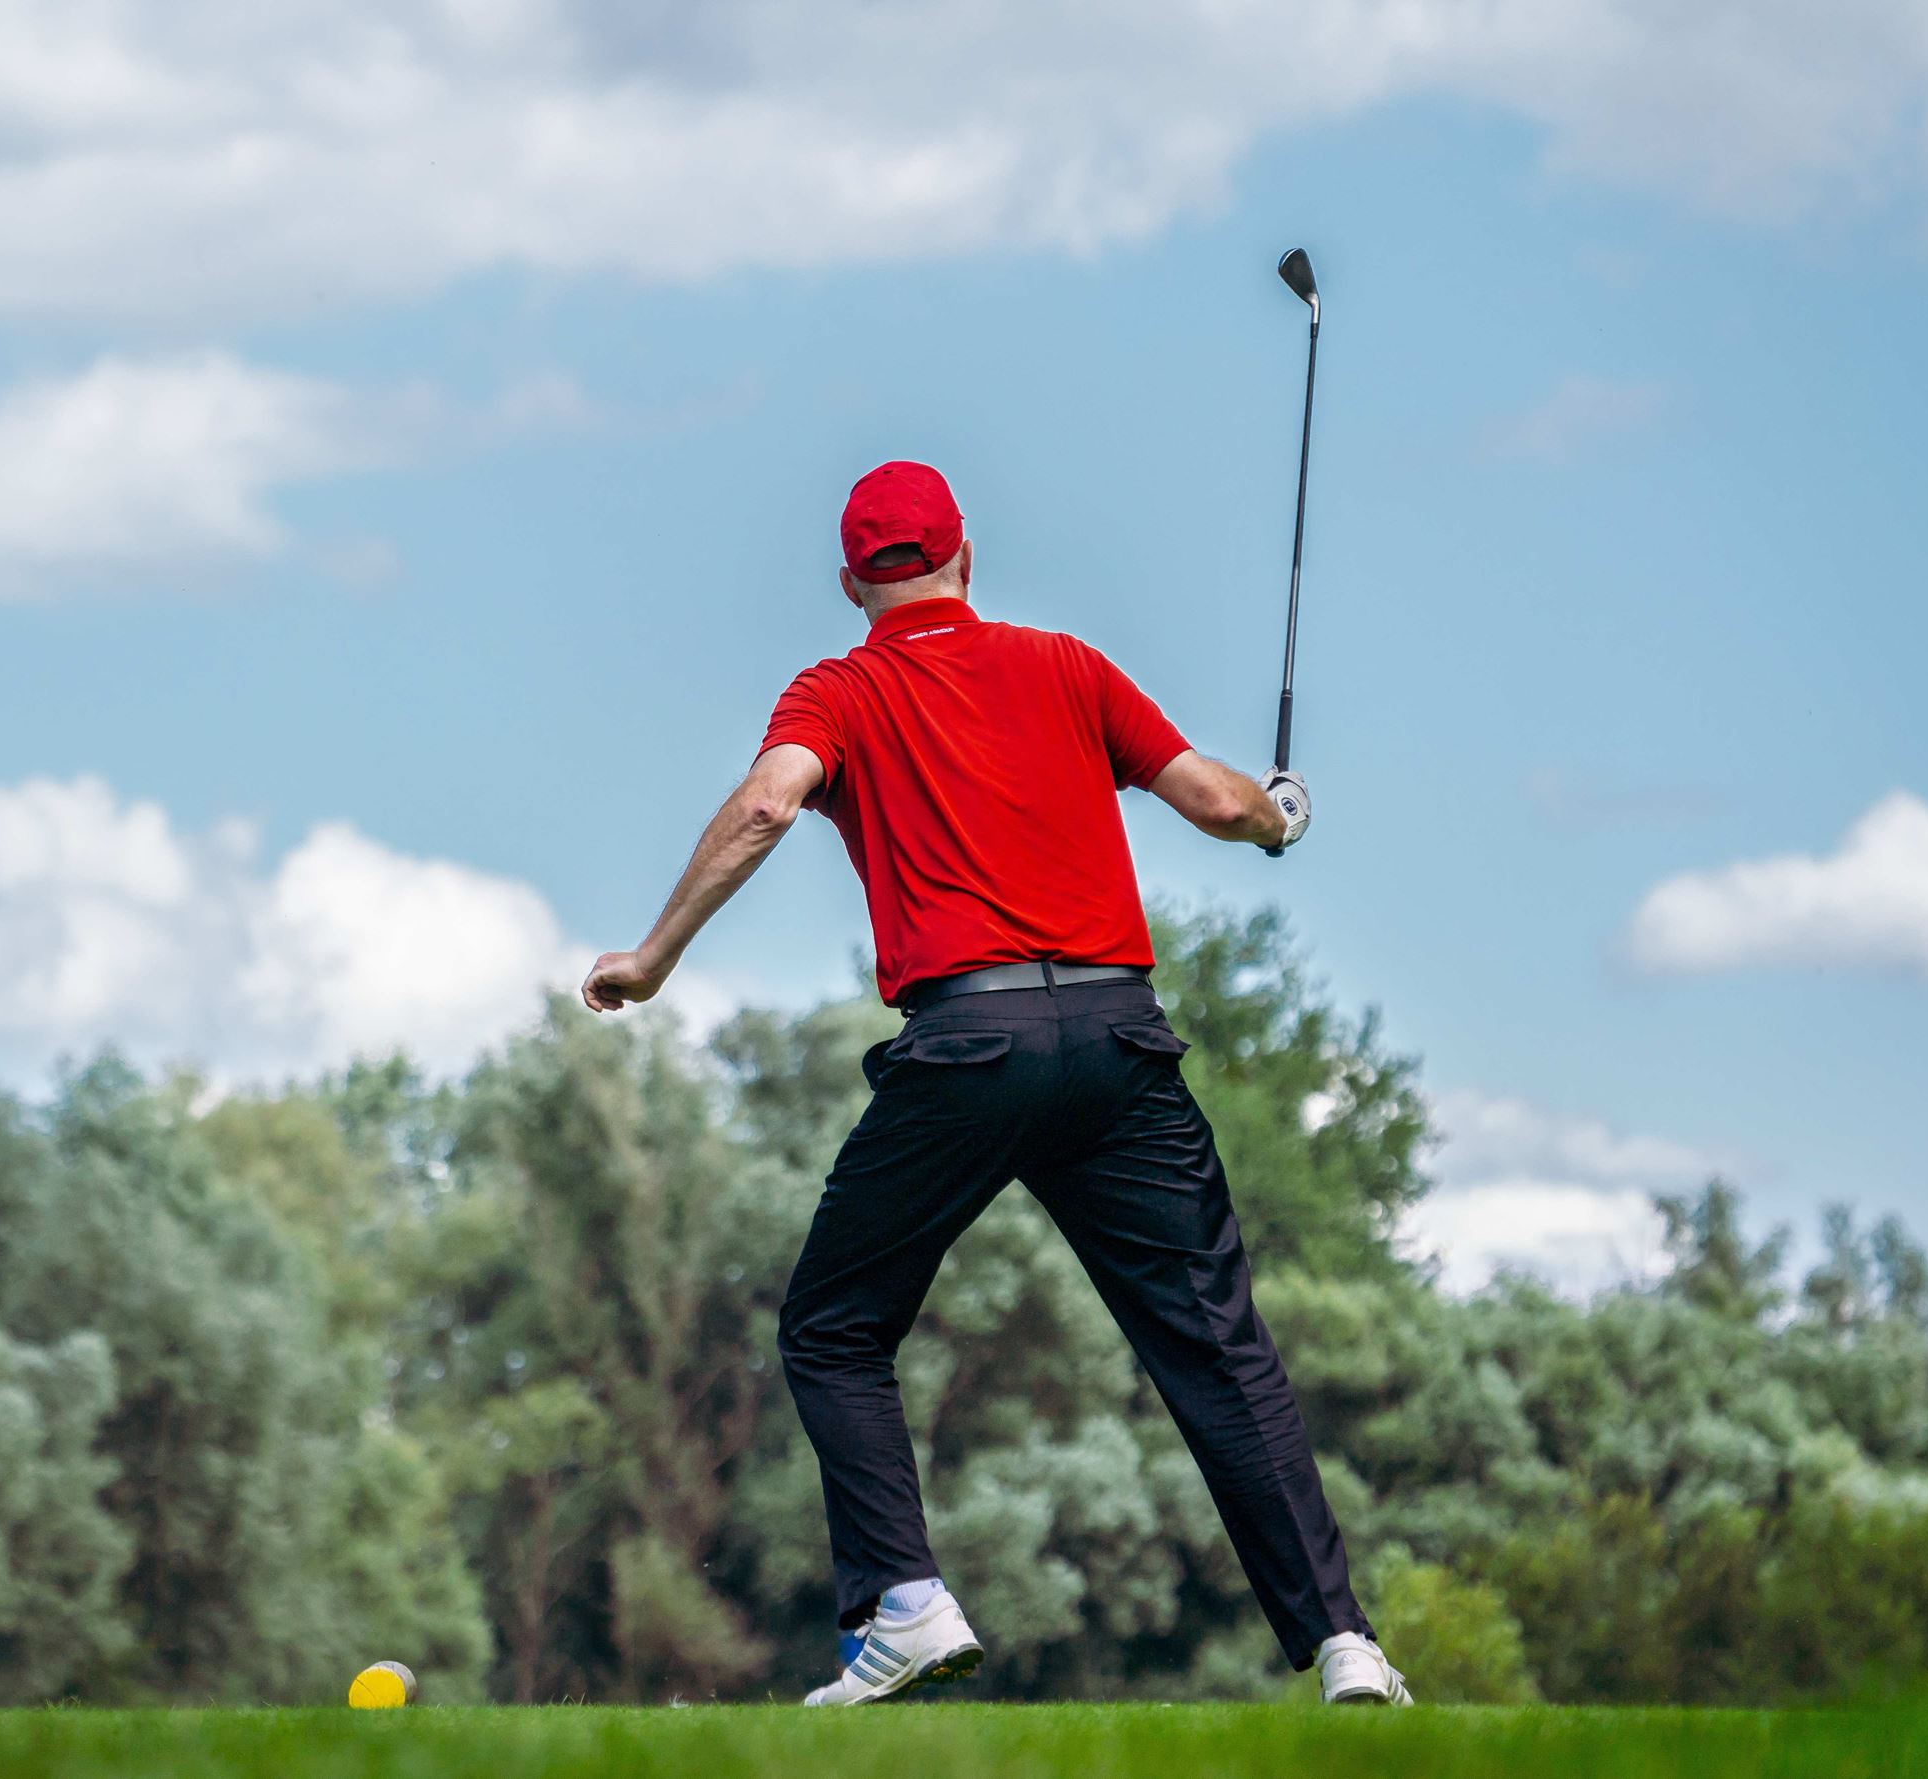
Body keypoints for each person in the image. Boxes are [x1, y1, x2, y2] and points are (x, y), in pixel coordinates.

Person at [583, 461, 1408, 1708]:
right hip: (1121, 1048)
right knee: (1217, 1348)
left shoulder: (840, 688)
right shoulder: (1069, 667)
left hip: (968, 1045)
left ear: (855, 580)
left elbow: (767, 803)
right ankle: (1346, 1646)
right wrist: (1280, 818)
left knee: (834, 1326)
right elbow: (1217, 799)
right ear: (967, 552)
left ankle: (905, 1608)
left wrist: (651, 959)